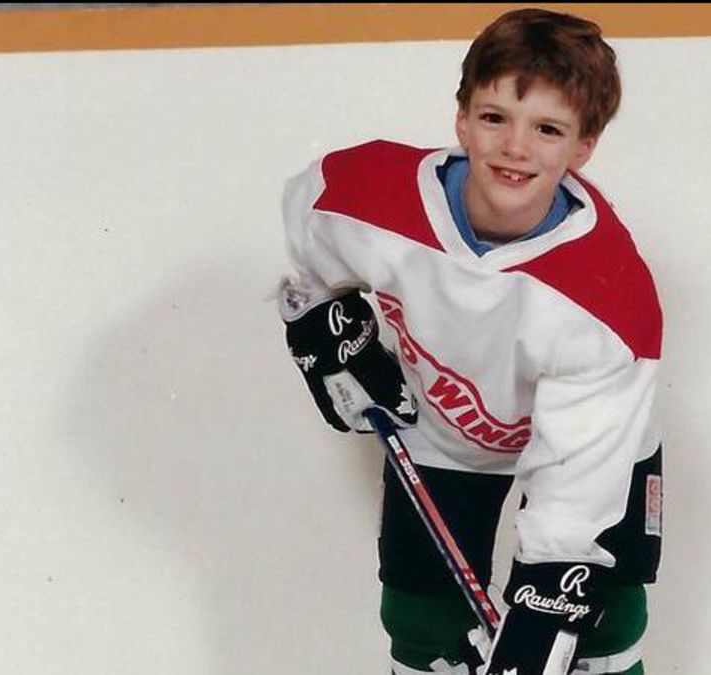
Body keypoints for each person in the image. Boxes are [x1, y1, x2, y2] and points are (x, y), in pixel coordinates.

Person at [277, 8, 663, 674]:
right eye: (494, 118)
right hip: (444, 424)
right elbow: (308, 248)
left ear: (584, 147)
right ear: (461, 118)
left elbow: (578, 485)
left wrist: (545, 603)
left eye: (548, 129)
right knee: (421, 620)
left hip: (594, 450)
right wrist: (316, 318)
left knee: (602, 626)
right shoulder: (364, 195)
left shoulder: (607, 298)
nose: (515, 147)